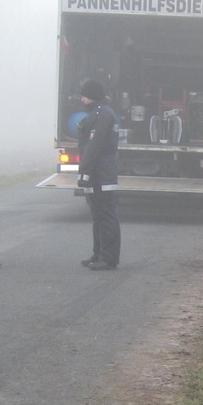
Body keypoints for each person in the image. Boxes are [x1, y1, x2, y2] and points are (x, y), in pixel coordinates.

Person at [77, 79, 121, 270]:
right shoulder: (100, 113)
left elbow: (93, 146)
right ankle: (98, 254)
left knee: (105, 215)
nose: (81, 99)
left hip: (101, 173)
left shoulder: (101, 114)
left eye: (84, 95)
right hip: (99, 172)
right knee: (97, 215)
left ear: (90, 96)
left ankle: (108, 258)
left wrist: (84, 172)